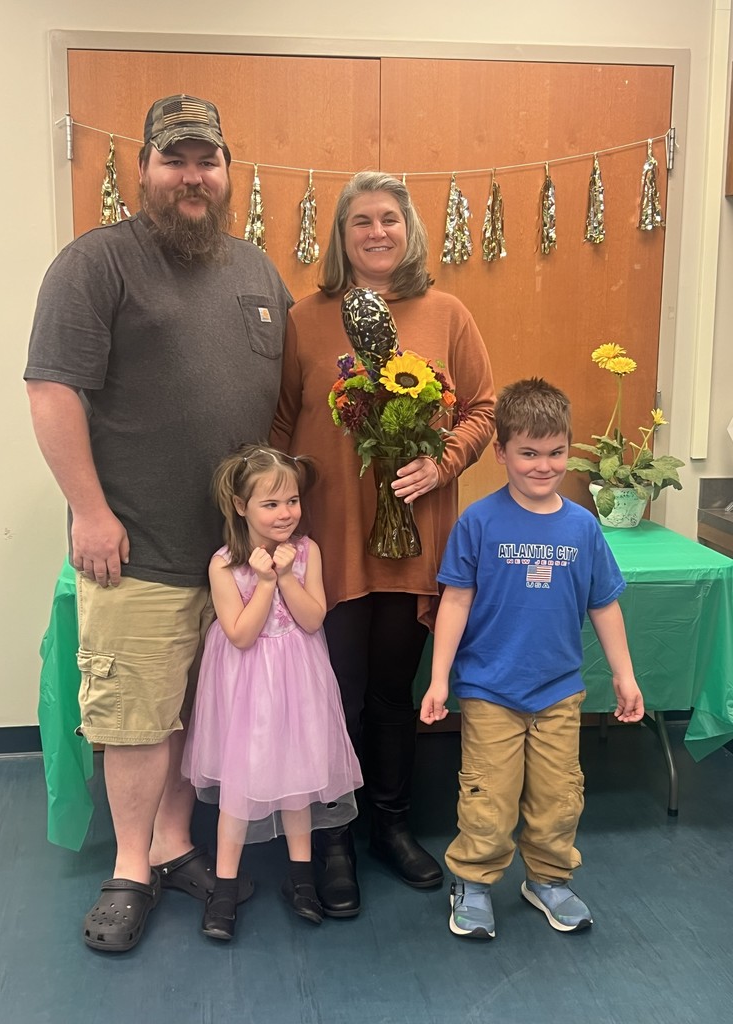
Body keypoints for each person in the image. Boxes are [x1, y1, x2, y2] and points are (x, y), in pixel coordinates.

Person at [24, 94, 292, 952]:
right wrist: (90, 512)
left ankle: (176, 844)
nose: (192, 176)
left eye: (207, 160)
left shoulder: (258, 272)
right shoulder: (96, 264)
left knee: (197, 713)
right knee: (138, 719)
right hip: (136, 548)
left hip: (234, 559)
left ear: (227, 170)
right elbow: (51, 390)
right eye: (174, 159)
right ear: (143, 168)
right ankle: (131, 867)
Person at [270, 171, 496, 917]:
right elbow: (279, 424)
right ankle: (334, 839)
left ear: (410, 230)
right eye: (360, 220)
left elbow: (483, 407)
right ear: (341, 236)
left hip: (412, 540)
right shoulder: (304, 319)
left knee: (394, 693)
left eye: (389, 219)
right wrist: (271, 518)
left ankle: (391, 827)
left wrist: (444, 463)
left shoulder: (447, 313)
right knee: (335, 694)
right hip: (330, 541)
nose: (376, 232)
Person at [420, 377, 644, 939]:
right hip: (490, 690)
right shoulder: (478, 522)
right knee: (488, 799)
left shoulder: (583, 527)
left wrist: (625, 675)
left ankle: (547, 879)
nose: (544, 466)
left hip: (558, 691)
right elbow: (455, 602)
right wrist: (439, 679)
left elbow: (604, 605)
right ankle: (473, 882)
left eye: (556, 452)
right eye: (528, 453)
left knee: (558, 797)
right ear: (500, 453)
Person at [181, 444, 363, 941]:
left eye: (293, 501)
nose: (286, 513)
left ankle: (301, 878)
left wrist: (285, 575)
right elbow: (240, 635)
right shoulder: (224, 564)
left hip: (298, 680)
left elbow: (313, 618)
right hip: (246, 688)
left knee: (297, 777)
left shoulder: (307, 552)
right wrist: (264, 582)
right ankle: (224, 887)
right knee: (241, 784)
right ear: (241, 506)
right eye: (271, 504)